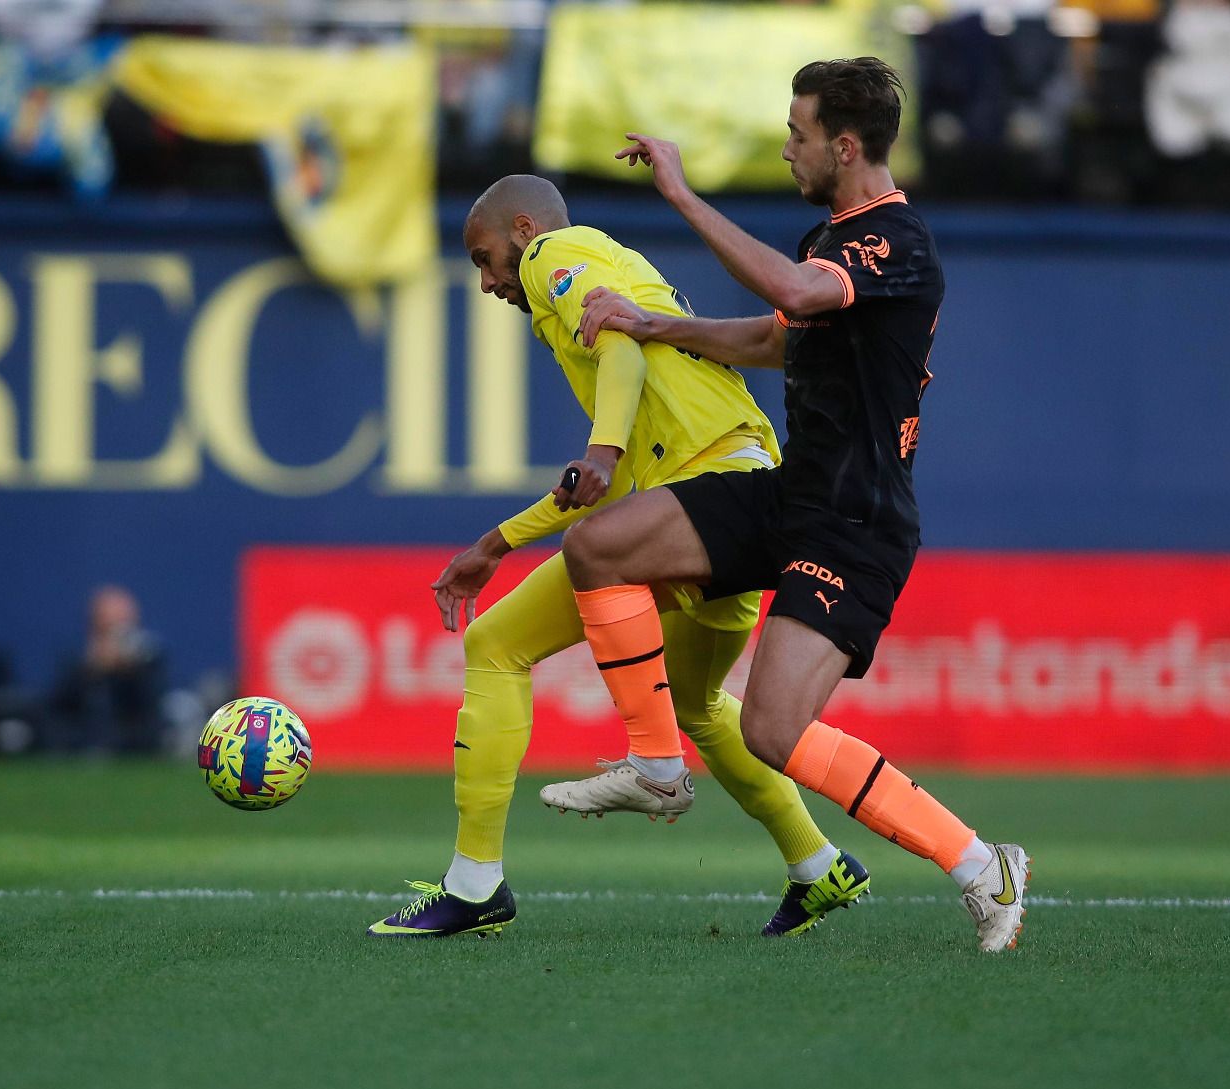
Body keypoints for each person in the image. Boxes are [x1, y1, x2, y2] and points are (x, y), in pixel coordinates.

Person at [545, 58, 1031, 951]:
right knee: (599, 549)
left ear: (846, 147)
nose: (786, 149)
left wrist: (684, 198)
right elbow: (776, 337)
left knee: (772, 730)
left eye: (798, 134)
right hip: (792, 495)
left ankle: (979, 864)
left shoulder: (896, 240)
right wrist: (652, 326)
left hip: (856, 520)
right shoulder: (827, 242)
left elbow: (799, 298)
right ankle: (656, 762)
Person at [366, 173, 868, 939]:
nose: (489, 280)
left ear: (523, 230)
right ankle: (817, 864)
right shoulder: (622, 275)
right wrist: (496, 542)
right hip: (740, 485)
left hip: (700, 495)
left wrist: (599, 449)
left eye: (485, 257)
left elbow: (623, 346)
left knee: (495, 646)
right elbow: (604, 487)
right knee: (700, 703)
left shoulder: (556, 255)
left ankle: (475, 884)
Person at [47, 585, 166, 756]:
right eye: (111, 629)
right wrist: (93, 672)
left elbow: (155, 719)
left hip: (135, 747)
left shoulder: (150, 663)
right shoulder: (77, 666)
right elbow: (55, 716)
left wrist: (131, 672)